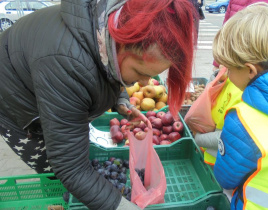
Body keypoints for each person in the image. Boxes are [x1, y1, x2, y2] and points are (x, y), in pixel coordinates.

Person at [0, 0, 197, 209]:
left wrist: (121, 101)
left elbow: (109, 72)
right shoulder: (67, 64)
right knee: (53, 168)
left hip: (55, 87)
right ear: (118, 46)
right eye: (140, 73)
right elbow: (70, 167)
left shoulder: (107, 32)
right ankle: (59, 198)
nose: (146, 82)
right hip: (18, 106)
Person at [212, 2, 268, 209]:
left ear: (250, 70)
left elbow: (226, 177)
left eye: (230, 70)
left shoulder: (243, 119)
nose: (228, 76)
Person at [212, 0, 268, 70]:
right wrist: (219, 62)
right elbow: (225, 31)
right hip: (236, 64)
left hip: (263, 63)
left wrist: (266, 64)